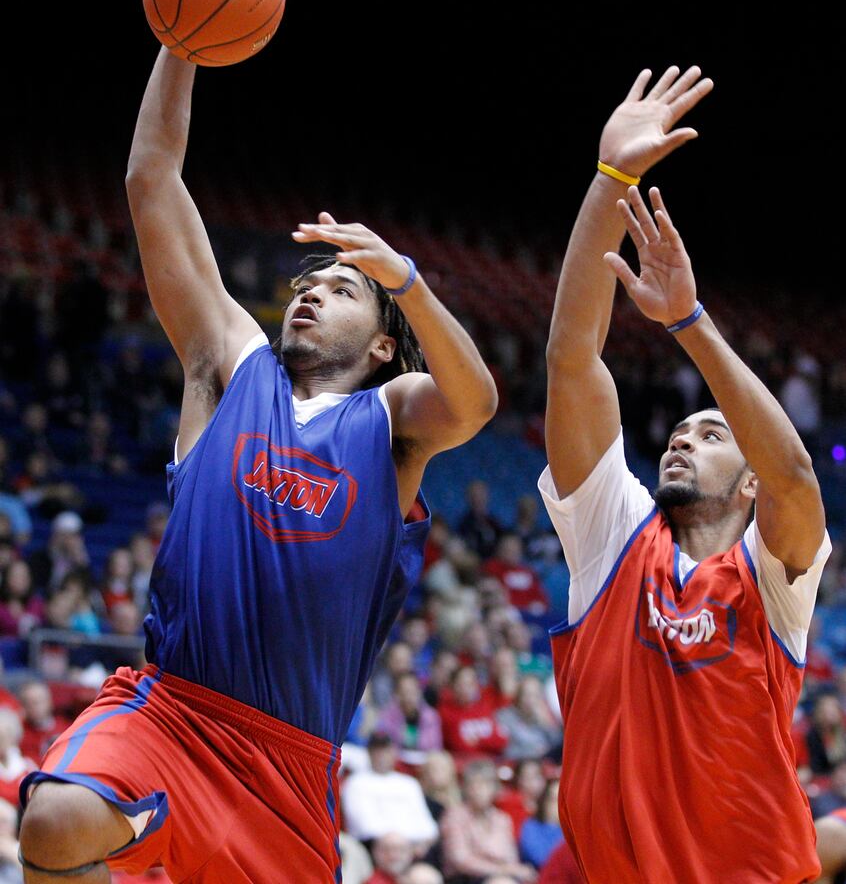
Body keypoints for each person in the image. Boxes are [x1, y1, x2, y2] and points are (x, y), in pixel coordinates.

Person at [17, 43, 497, 883]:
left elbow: (475, 404)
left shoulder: (391, 418)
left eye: (343, 289)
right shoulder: (232, 365)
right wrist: (179, 45)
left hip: (291, 763)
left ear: (386, 344)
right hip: (171, 711)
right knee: (54, 821)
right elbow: (152, 182)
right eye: (309, 283)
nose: (311, 291)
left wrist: (410, 281)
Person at [539, 64, 831, 882]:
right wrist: (612, 177)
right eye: (679, 430)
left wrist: (689, 324)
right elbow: (571, 361)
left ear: (747, 484)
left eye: (710, 435)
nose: (680, 439)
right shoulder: (609, 541)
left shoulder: (774, 578)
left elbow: (796, 477)